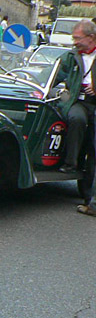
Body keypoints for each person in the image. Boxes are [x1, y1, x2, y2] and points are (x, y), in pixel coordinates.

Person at [63, 22, 96, 212]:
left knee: (94, 149)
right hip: (79, 100)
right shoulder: (71, 56)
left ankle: (88, 196)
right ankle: (71, 162)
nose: (74, 42)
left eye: (77, 38)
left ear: (90, 38)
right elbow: (56, 73)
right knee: (76, 118)